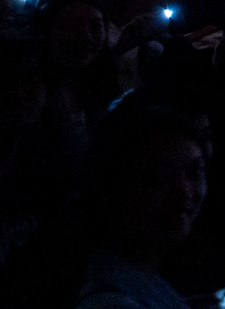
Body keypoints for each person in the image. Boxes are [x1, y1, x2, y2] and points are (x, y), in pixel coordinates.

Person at [73, 101, 209, 309]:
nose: (184, 192)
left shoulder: (143, 278)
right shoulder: (110, 302)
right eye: (160, 176)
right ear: (114, 185)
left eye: (193, 172)